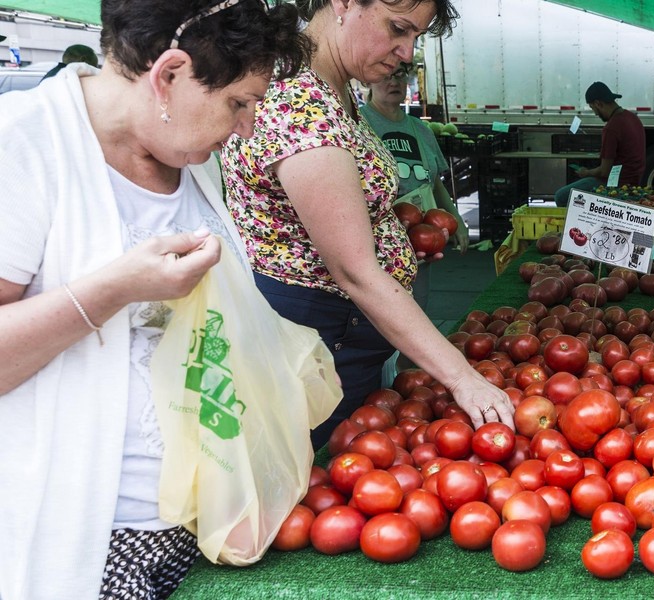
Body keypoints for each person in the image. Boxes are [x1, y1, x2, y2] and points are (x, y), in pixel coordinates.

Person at [0, 2, 309, 598]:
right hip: (87, 540)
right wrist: (118, 288)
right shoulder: (23, 143)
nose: (246, 128)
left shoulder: (190, 160)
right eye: (238, 103)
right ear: (168, 74)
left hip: (197, 530)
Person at [222, 0, 514, 449]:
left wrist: (390, 236)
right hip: (317, 342)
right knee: (314, 468)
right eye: (398, 29)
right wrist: (461, 377)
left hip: (345, 335)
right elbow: (354, 270)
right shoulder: (302, 105)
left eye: (415, 36)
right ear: (342, 3)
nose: (406, 51)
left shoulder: (335, 88)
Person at [361, 63, 469, 312]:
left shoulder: (421, 129)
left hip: (418, 240)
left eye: (400, 75)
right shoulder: (359, 124)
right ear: (368, 80)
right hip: (378, 241)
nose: (394, 82)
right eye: (385, 75)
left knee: (416, 309)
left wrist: (457, 221)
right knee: (379, 314)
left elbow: (435, 183)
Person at [554, 81, 645, 206]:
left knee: (561, 196)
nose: (595, 113)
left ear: (598, 103)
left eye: (593, 108)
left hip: (616, 185)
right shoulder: (632, 118)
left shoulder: (611, 128)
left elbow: (604, 171)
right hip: (634, 181)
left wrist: (586, 172)